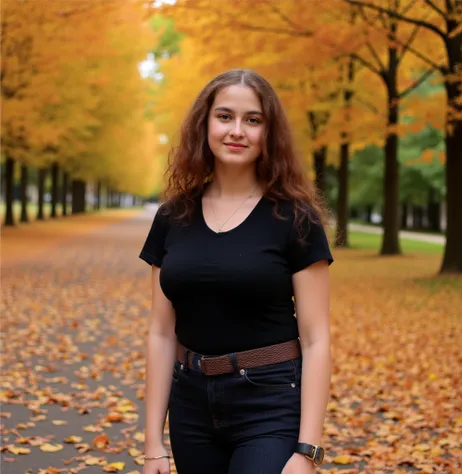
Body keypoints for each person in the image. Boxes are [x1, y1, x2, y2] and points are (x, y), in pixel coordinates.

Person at [139, 69, 333, 474]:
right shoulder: (172, 217)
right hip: (190, 406)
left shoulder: (295, 218)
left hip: (269, 401)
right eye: (224, 116)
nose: (237, 131)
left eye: (253, 120)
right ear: (205, 124)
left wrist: (308, 450)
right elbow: (160, 332)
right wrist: (153, 443)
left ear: (269, 132)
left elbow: (316, 339)